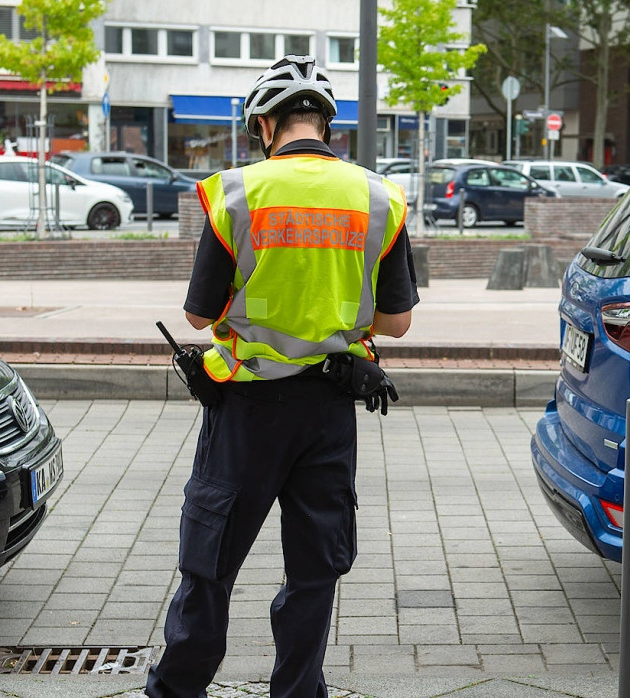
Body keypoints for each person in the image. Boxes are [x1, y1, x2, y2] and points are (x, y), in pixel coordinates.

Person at [145, 54, 417, 698]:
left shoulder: (235, 192)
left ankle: (178, 689)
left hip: (245, 410)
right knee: (314, 568)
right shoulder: (379, 197)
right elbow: (397, 323)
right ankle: (298, 691)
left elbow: (197, 315)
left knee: (209, 566)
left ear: (265, 124)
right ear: (326, 125)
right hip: (330, 410)